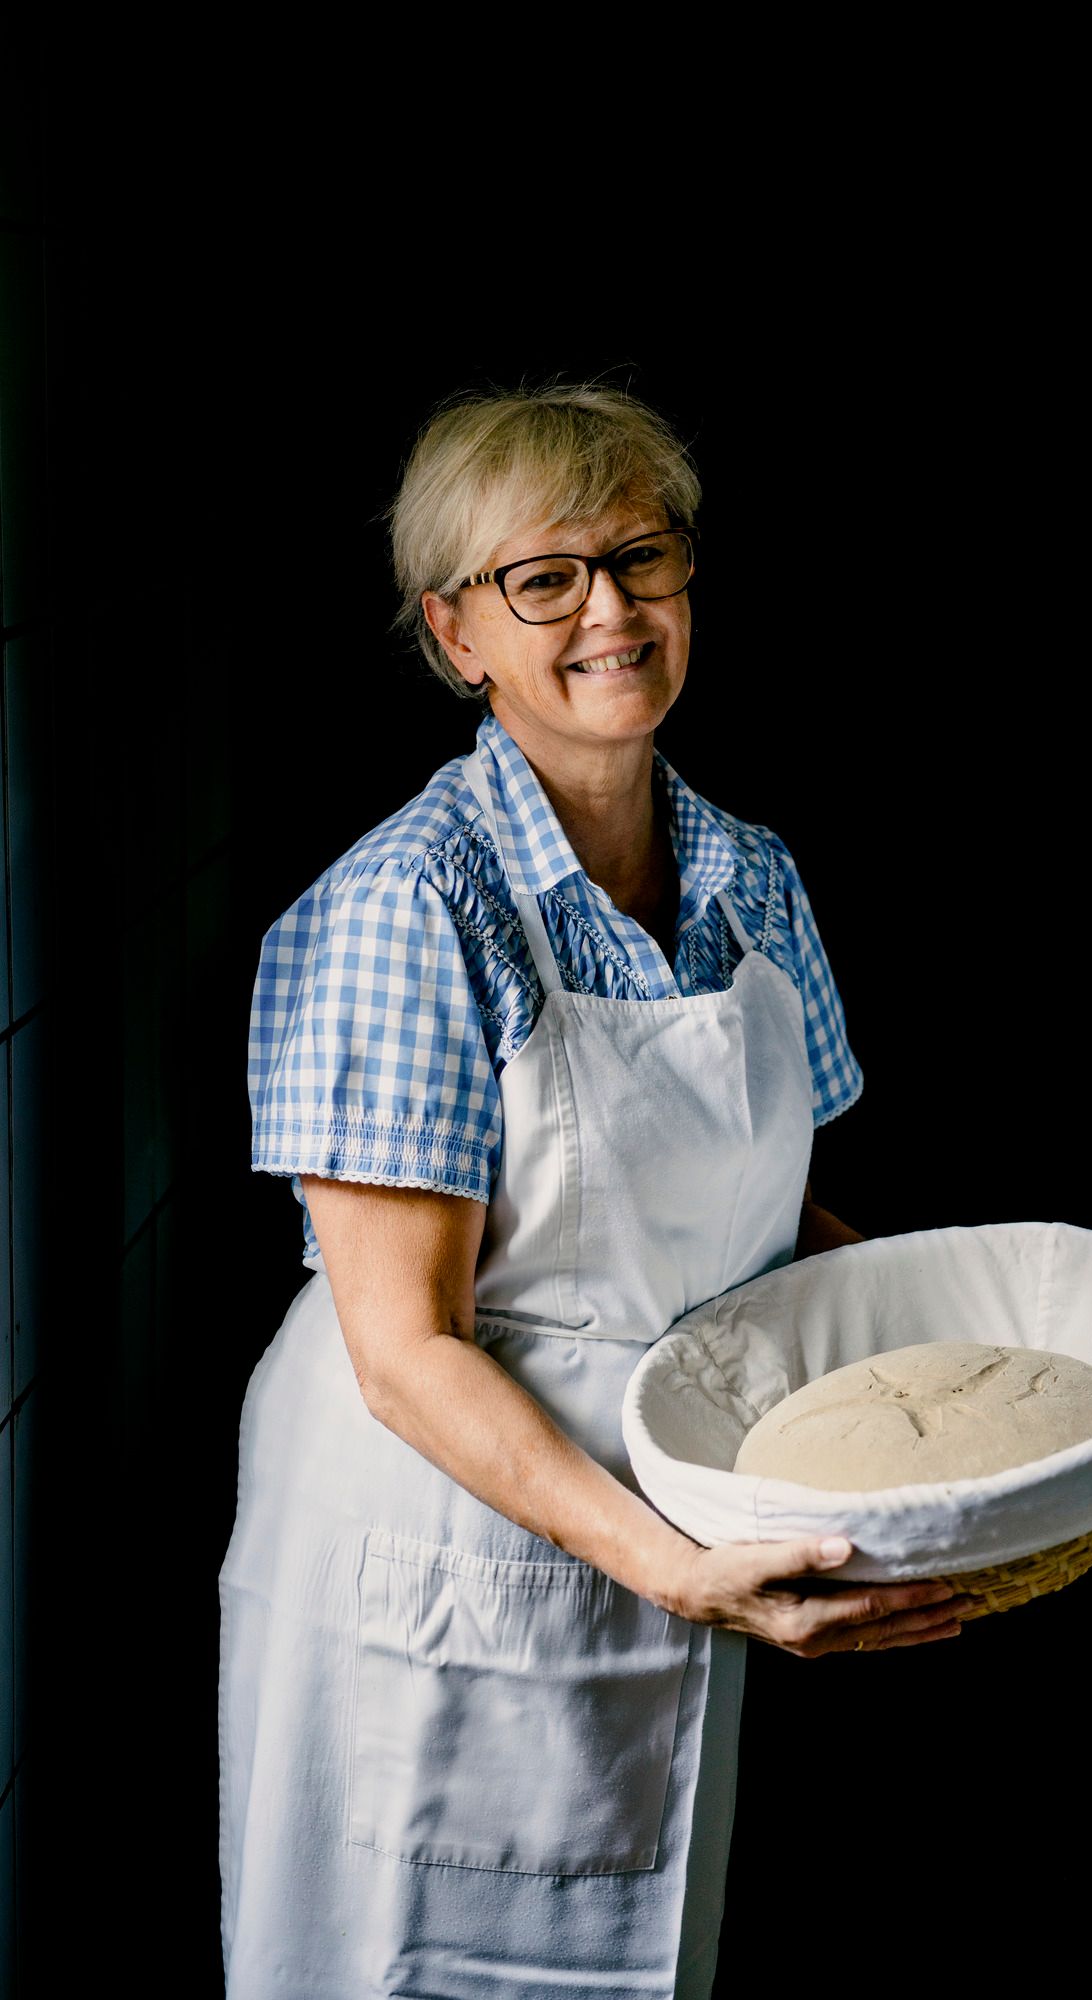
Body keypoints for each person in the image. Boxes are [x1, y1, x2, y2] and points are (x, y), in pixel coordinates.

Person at [219, 384, 962, 2000]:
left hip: (682, 1519)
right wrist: (673, 1563)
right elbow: (404, 1353)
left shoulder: (752, 874)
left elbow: (778, 1231)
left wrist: (952, 1380)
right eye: (542, 579)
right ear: (454, 635)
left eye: (642, 557)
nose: (611, 610)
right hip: (440, 1544)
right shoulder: (405, 907)